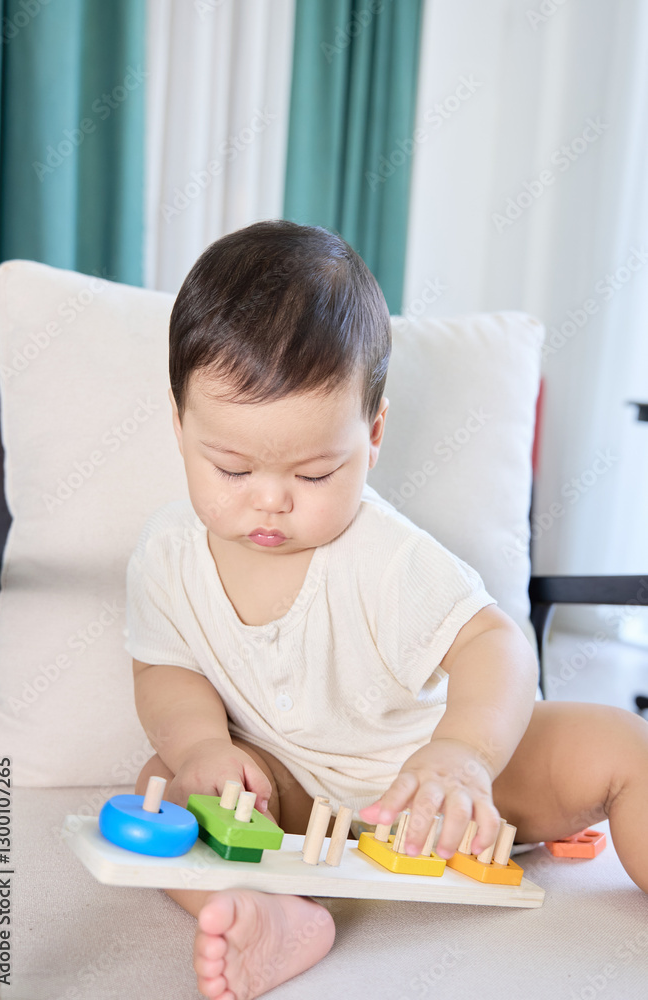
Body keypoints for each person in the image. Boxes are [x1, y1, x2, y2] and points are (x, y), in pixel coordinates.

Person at [125, 219, 648, 1000]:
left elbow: (491, 646)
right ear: (179, 426)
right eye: (231, 467)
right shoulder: (167, 553)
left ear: (370, 438)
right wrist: (201, 745)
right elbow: (164, 670)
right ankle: (269, 917)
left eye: (313, 473)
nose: (269, 499)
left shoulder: (384, 555)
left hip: (443, 792)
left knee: (619, 745)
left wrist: (462, 755)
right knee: (158, 788)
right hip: (289, 794)